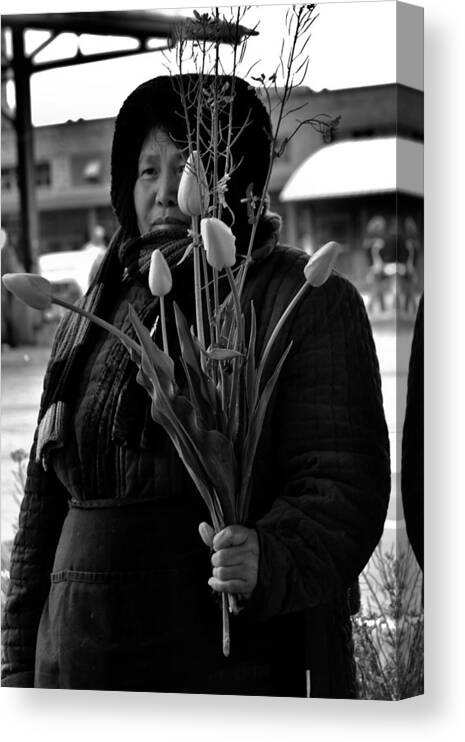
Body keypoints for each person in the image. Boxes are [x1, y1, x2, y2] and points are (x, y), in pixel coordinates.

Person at [1, 74, 390, 697]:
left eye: (185, 166)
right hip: (74, 673)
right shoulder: (93, 315)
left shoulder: (301, 298)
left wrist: (269, 556)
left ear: (233, 177)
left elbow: (344, 483)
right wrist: (17, 667)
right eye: (146, 170)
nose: (161, 193)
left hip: (229, 671)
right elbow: (42, 514)